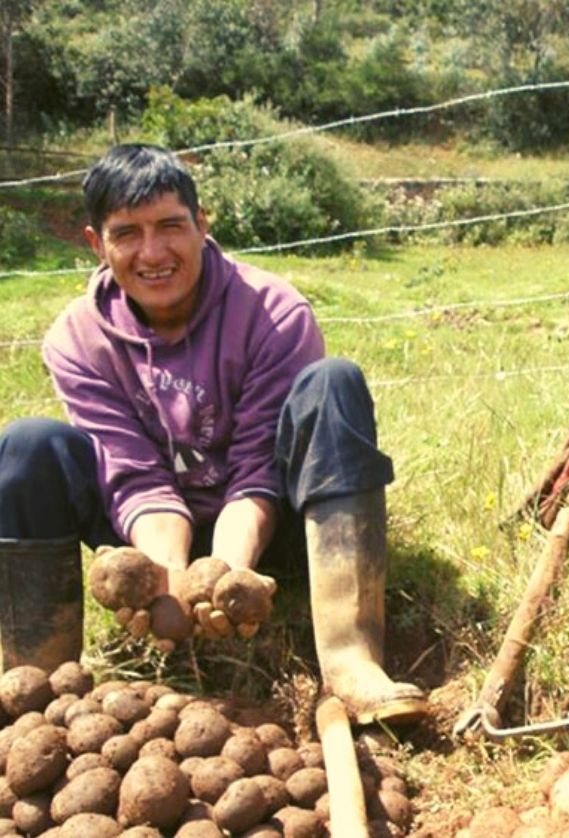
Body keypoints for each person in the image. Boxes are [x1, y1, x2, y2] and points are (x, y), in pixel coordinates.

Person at [0, 144, 427, 726]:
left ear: (202, 226)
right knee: (27, 447)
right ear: (96, 245)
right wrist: (165, 578)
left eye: (171, 227)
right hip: (146, 534)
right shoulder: (77, 340)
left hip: (270, 526)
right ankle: (38, 690)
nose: (153, 253)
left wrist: (224, 578)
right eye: (127, 234)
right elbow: (133, 477)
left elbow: (256, 470)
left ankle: (351, 660)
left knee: (334, 383)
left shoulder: (273, 313)